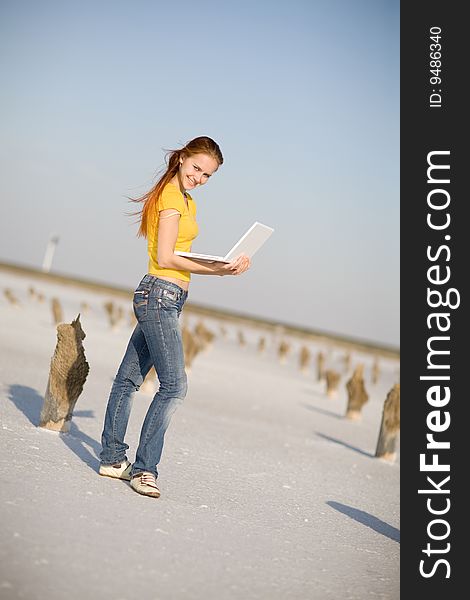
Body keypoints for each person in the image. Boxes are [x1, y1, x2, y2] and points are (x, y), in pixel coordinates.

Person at [98, 136, 250, 498]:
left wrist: (222, 266)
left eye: (208, 175)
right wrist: (219, 272)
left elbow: (180, 255)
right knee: (175, 386)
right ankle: (144, 470)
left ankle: (112, 459)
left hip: (168, 296)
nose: (200, 178)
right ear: (181, 158)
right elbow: (166, 257)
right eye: (197, 168)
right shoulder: (169, 195)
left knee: (128, 380)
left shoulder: (187, 200)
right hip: (158, 294)